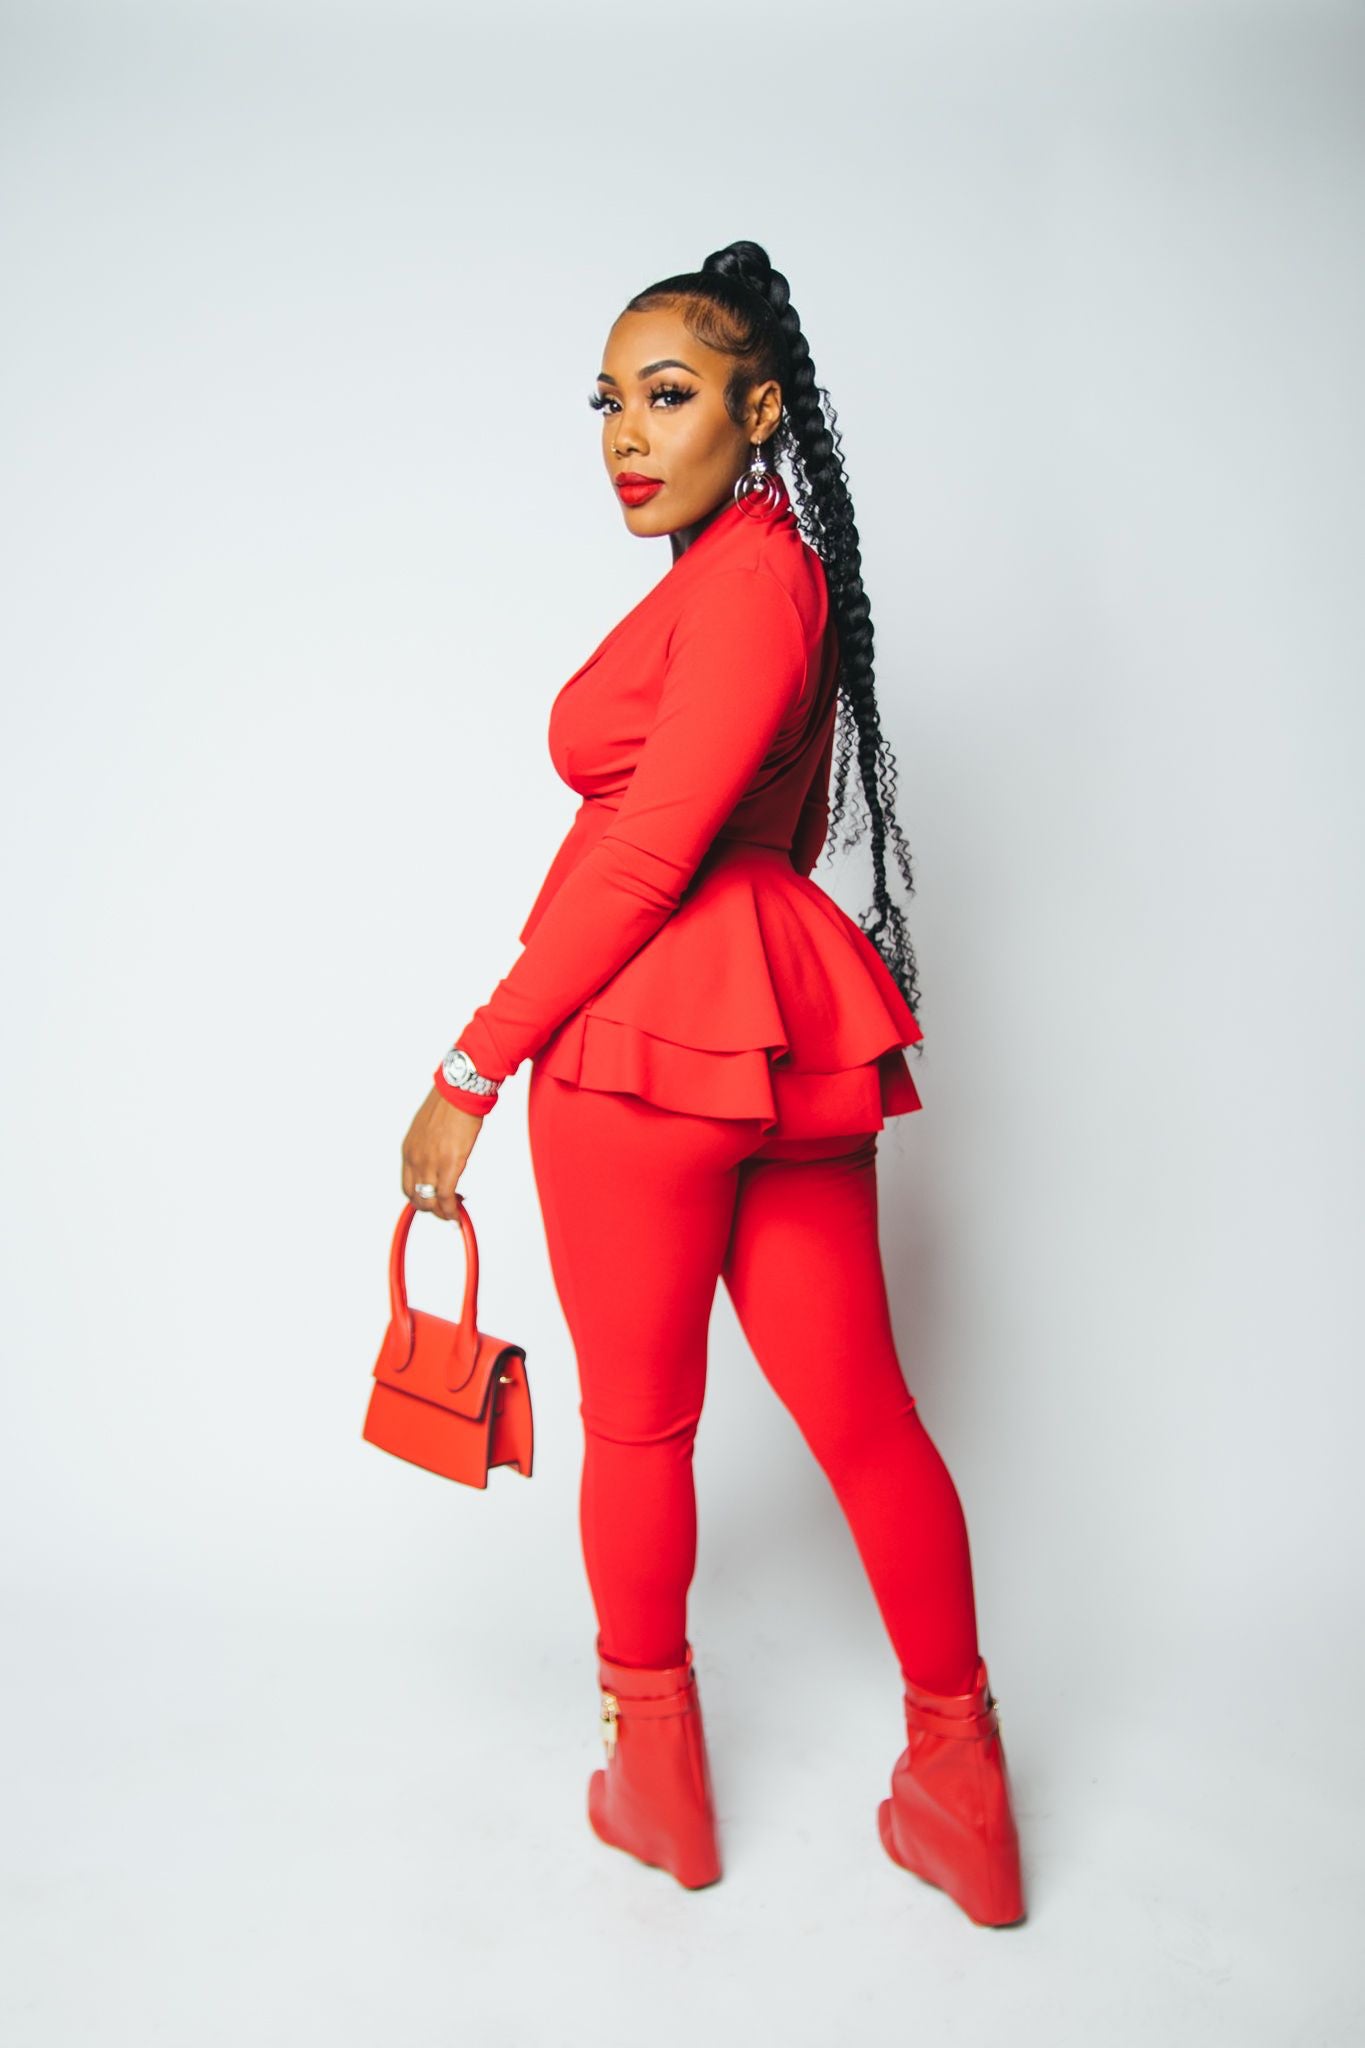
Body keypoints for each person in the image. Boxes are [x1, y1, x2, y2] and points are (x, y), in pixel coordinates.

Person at [400, 240, 1025, 1926]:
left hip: (635, 1044)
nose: (625, 433)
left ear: (757, 414)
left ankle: (657, 1785)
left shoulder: (748, 583)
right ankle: (959, 1789)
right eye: (606, 401)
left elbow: (643, 858)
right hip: (776, 1018)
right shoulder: (760, 583)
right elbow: (776, 831)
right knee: (868, 1419)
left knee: (640, 1425)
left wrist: (472, 1062)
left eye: (666, 396)